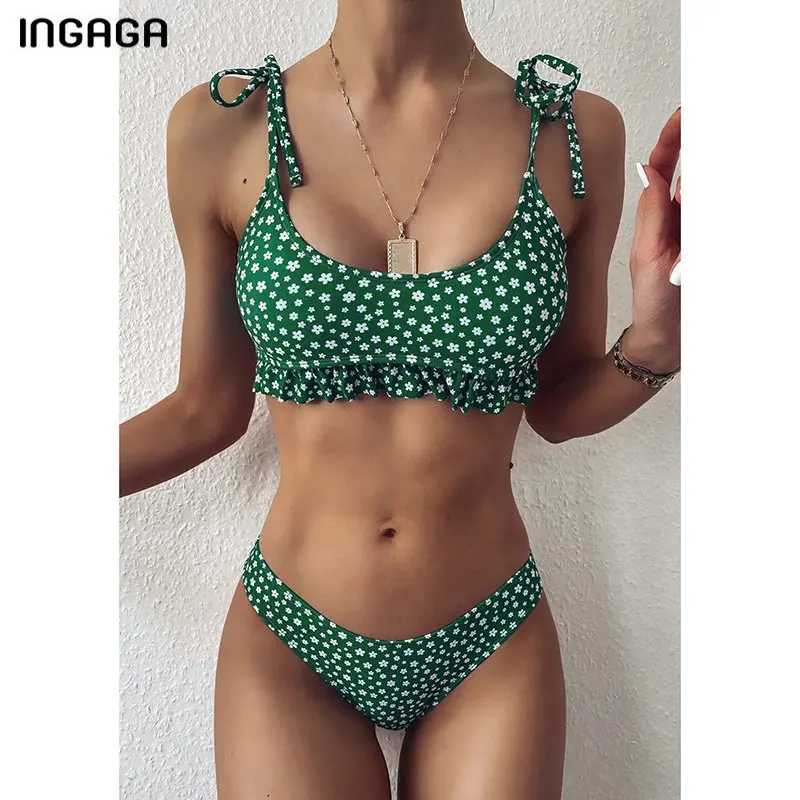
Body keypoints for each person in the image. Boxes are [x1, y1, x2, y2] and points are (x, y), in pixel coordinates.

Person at [119, 2, 680, 797]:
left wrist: (656, 345)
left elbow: (556, 408)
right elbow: (203, 411)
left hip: (489, 638)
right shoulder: (223, 125)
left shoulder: (572, 130)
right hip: (294, 636)